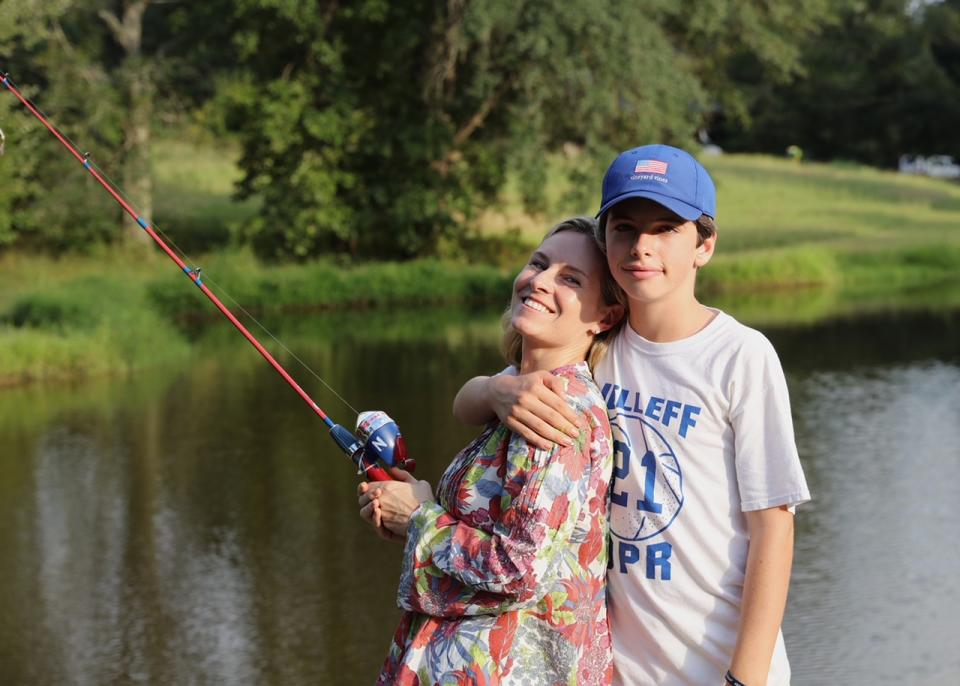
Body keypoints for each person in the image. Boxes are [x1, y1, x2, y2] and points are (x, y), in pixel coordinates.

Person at [452, 145, 811, 686]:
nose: (642, 246)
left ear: (704, 245)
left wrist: (747, 676)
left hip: (721, 668)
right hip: (620, 672)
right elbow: (464, 403)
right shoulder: (596, 343)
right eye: (624, 228)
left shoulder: (740, 355)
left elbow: (773, 530)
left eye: (666, 229)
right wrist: (495, 392)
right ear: (607, 237)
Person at [358, 217, 626, 685]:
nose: (540, 281)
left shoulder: (553, 413)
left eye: (571, 279)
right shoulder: (519, 390)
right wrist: (408, 506)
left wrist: (420, 518)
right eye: (539, 264)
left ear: (603, 317)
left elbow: (517, 570)